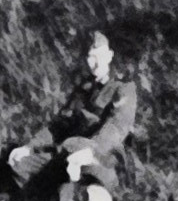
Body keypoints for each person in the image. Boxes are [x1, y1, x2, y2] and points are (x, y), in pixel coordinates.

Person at [8, 30, 138, 177]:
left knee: (67, 186)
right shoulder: (85, 86)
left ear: (109, 55)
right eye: (91, 57)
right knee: (16, 163)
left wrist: (89, 152)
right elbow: (59, 124)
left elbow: (115, 128)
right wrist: (30, 147)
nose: (95, 64)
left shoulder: (123, 88)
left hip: (101, 160)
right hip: (69, 152)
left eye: (100, 56)